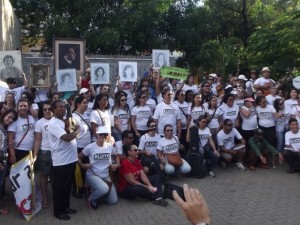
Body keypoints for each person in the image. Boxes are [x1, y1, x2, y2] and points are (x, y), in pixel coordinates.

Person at [48, 100, 80, 220]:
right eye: (60, 107)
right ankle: (58, 211)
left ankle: (66, 207)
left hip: (70, 159)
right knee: (59, 188)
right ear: (54, 109)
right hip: (61, 162)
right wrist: (78, 129)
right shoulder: (53, 123)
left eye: (64, 107)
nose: (64, 109)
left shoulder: (62, 121)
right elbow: (67, 138)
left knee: (67, 186)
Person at [78, 126, 119, 209]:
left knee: (113, 201)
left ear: (107, 136)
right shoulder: (90, 147)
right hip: (93, 174)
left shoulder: (110, 147)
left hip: (105, 175)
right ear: (97, 135)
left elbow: (116, 156)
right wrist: (82, 165)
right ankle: (91, 198)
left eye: (105, 135)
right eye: (101, 134)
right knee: (104, 189)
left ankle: (97, 192)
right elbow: (78, 157)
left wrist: (117, 164)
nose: (102, 137)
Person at [33, 101, 52, 208]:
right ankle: (45, 199)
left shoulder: (59, 121)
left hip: (58, 153)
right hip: (45, 152)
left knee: (55, 177)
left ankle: (56, 196)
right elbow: (37, 140)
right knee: (44, 175)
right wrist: (35, 154)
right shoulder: (39, 122)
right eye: (45, 109)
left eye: (49, 109)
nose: (47, 111)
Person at [0, 109, 18, 215]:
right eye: (9, 117)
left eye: (12, 119)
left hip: (3, 160)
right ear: (4, 115)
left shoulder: (4, 128)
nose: (10, 120)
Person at [8, 99, 36, 164]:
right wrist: (12, 154)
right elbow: (10, 139)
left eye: (25, 106)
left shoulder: (31, 118)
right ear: (17, 108)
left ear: (28, 107)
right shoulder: (14, 120)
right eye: (20, 106)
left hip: (30, 150)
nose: (23, 107)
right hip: (18, 151)